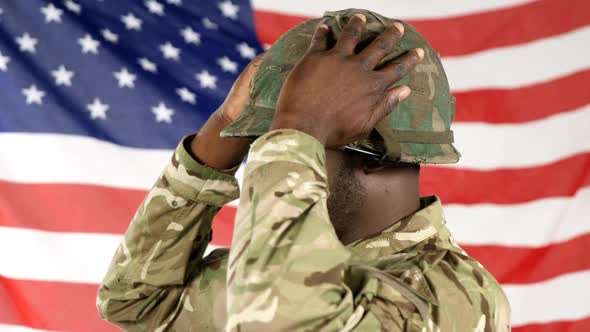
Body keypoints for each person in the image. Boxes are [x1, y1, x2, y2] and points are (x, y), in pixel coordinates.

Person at [97, 9, 511, 332]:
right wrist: (225, 126)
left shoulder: (450, 297)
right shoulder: (263, 269)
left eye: (287, 143)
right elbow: (135, 301)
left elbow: (277, 320)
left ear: (373, 156)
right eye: (265, 143)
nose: (263, 157)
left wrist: (298, 126)